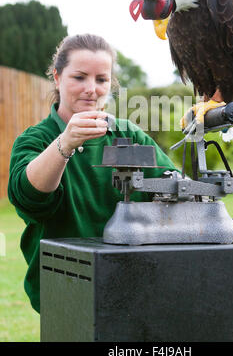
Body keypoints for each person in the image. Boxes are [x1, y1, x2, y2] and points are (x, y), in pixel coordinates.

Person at [8, 34, 178, 314]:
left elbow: (171, 186)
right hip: (64, 290)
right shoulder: (36, 139)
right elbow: (28, 199)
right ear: (57, 77)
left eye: (101, 80)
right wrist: (65, 143)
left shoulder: (128, 133)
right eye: (79, 77)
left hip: (133, 285)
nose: (91, 89)